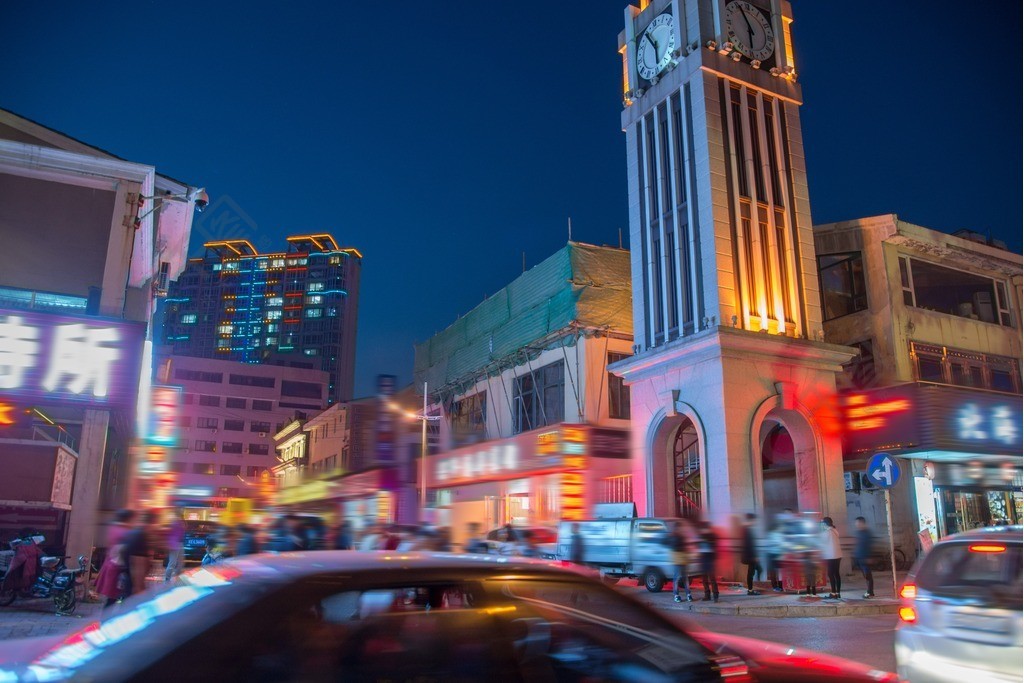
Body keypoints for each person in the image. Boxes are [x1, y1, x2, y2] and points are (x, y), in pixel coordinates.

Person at [95, 509, 136, 607]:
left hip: (111, 564)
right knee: (116, 597)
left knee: (112, 598)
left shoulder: (114, 528)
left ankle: (107, 619)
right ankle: (108, 619)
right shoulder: (125, 532)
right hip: (119, 567)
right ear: (129, 519)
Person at [123, 510, 158, 596]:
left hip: (129, 573)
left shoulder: (136, 531)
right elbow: (138, 567)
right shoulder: (141, 535)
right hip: (134, 578)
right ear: (152, 522)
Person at [665, 521, 692, 603]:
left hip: (682, 558)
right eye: (680, 528)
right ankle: (677, 595)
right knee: (678, 578)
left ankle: (687, 594)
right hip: (678, 559)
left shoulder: (679, 536)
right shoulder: (674, 536)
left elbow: (685, 547)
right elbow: (673, 546)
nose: (681, 529)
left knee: (683, 578)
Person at [820, 516, 842, 599]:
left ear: (825, 523)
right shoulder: (835, 531)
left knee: (830, 574)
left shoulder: (826, 533)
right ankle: (838, 593)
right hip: (838, 555)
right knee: (836, 574)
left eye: (822, 523)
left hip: (830, 556)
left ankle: (833, 593)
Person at [696, 520, 719, 602]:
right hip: (703, 560)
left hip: (710, 560)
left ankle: (715, 595)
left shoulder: (712, 536)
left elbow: (715, 548)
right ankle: (707, 595)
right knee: (704, 580)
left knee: (712, 579)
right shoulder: (700, 536)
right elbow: (698, 547)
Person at [740, 513, 762, 596]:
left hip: (751, 556)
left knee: (758, 569)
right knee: (751, 573)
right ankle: (750, 590)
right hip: (750, 556)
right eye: (755, 520)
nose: (756, 522)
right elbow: (749, 545)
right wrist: (754, 556)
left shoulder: (747, 529)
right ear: (752, 520)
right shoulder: (746, 529)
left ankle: (752, 588)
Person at [853, 516, 874, 598]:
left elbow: (869, 545)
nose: (856, 525)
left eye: (858, 523)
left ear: (862, 523)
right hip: (859, 557)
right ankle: (869, 591)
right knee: (866, 575)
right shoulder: (859, 532)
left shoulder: (867, 533)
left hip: (865, 557)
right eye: (856, 523)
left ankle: (870, 592)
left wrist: (869, 557)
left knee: (868, 575)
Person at [164, 508, 185, 582]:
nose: (183, 511)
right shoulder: (174, 521)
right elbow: (170, 533)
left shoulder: (180, 521)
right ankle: (167, 579)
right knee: (172, 563)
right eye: (182, 510)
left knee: (180, 563)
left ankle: (176, 579)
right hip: (175, 544)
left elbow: (183, 530)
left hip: (180, 543)